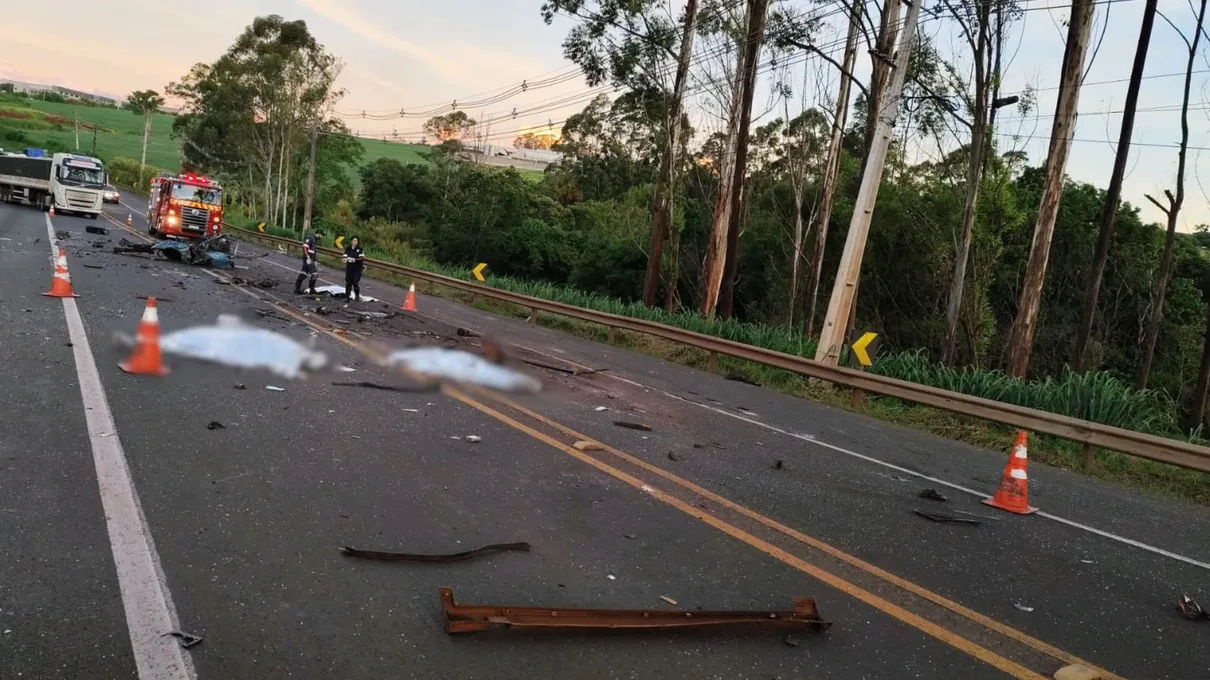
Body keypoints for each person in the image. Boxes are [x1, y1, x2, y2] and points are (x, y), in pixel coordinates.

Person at [293, 229, 325, 294]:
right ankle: (311, 289)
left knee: (304, 273)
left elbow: (313, 251)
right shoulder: (310, 238)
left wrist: (315, 260)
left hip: (311, 258)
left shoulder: (314, 240)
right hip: (308, 258)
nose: (322, 237)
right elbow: (305, 248)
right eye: (322, 235)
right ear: (318, 233)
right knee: (315, 274)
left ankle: (297, 288)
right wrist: (307, 257)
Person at [343, 236, 365, 301]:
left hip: (357, 268)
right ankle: (347, 297)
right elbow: (345, 255)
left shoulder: (360, 249)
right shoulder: (348, 248)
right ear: (351, 241)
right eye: (354, 240)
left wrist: (354, 260)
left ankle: (357, 295)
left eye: (356, 241)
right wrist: (345, 259)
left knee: (355, 281)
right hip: (349, 267)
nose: (355, 242)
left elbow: (362, 258)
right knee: (348, 281)